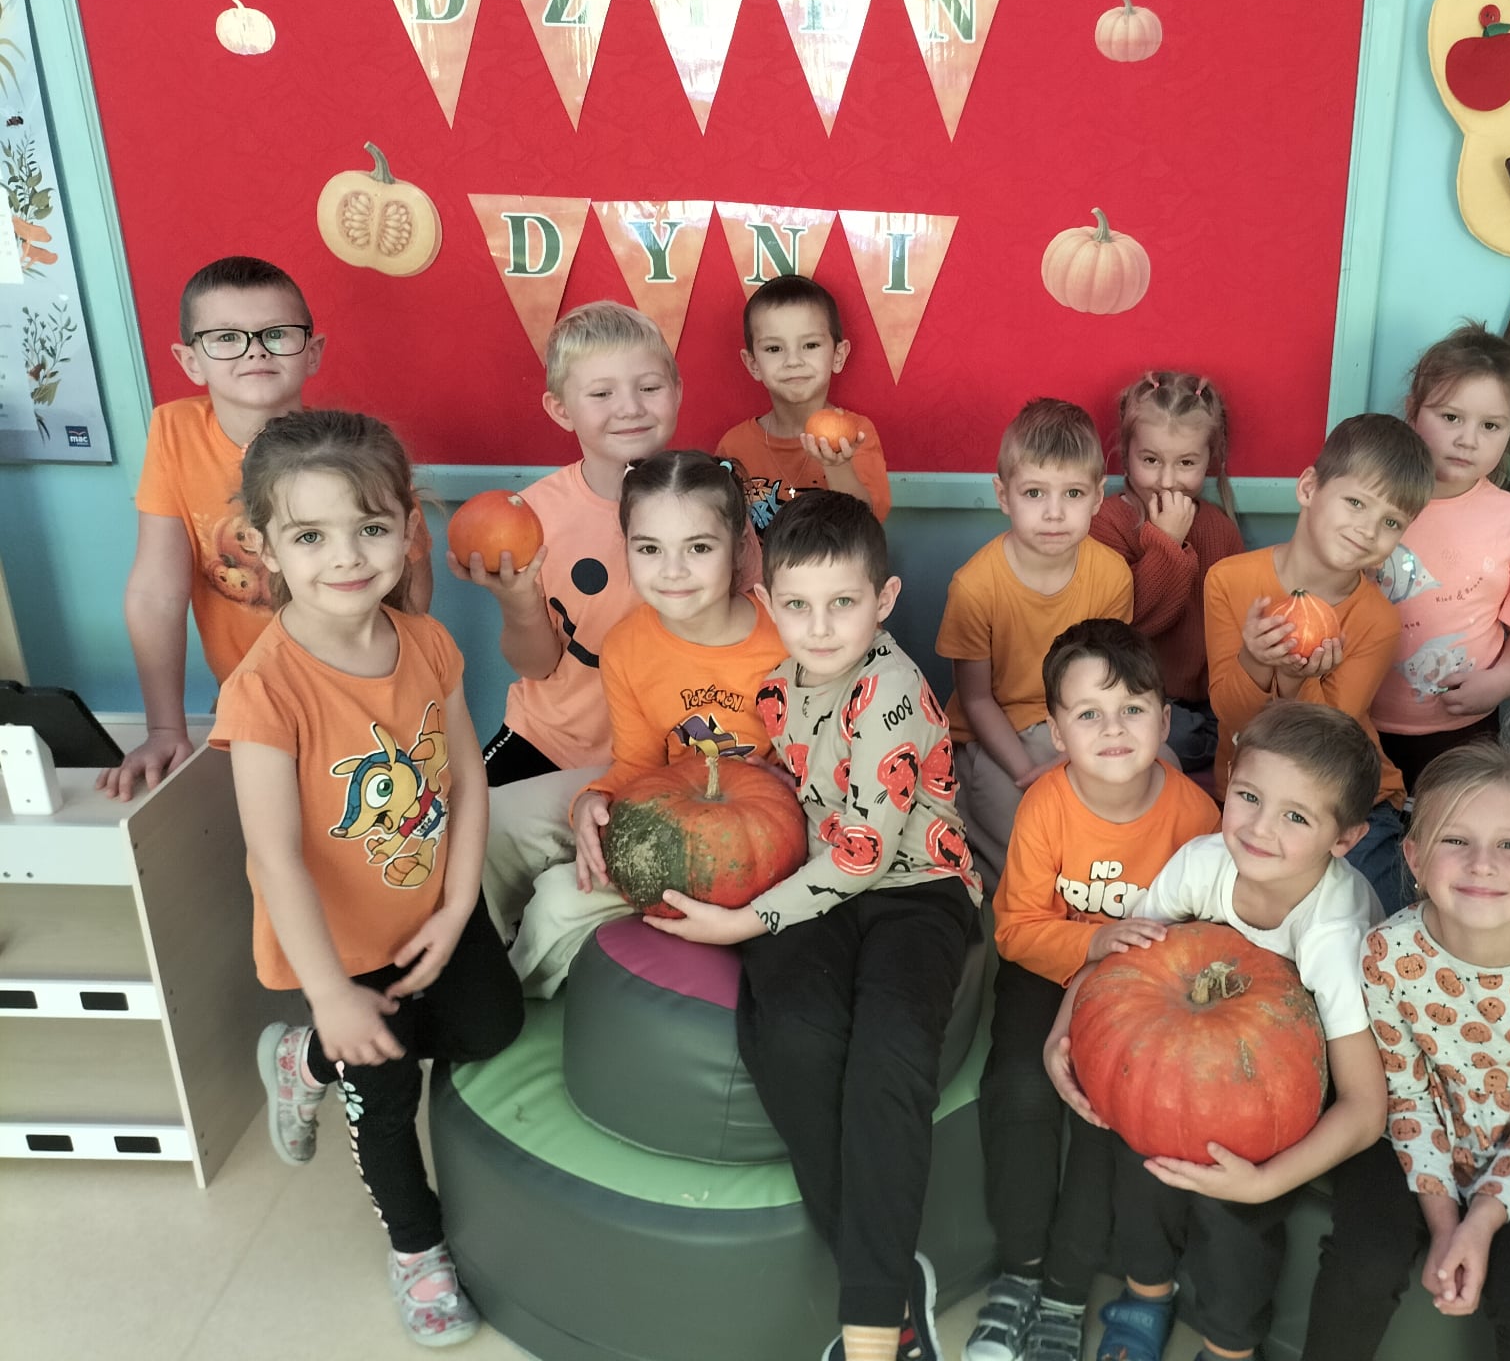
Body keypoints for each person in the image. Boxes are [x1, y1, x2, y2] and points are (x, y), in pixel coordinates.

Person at [646, 489, 982, 1361]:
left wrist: (743, 922)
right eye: (797, 605)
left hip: (916, 889)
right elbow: (792, 805)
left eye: (843, 603)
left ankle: (871, 1330)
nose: (820, 626)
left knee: (887, 1055)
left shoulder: (891, 692)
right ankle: (893, 1282)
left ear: (885, 600)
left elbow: (865, 855)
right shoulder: (776, 689)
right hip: (815, 880)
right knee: (792, 1036)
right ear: (767, 602)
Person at [215, 410, 520, 1346]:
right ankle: (416, 1252)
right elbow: (274, 858)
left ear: (409, 527)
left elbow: (465, 773)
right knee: (384, 1103)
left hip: (433, 907)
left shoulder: (424, 641)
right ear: (263, 545)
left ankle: (302, 1058)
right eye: (310, 536)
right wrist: (331, 997)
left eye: (372, 528)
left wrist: (459, 903)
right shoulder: (264, 690)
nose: (347, 557)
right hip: (342, 951)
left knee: (491, 1026)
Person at [1044, 702, 1389, 1361]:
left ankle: (1229, 1347)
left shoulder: (1333, 935)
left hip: (1287, 1078)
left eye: (1296, 817)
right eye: (1249, 797)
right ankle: (1146, 1294)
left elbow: (1365, 1108)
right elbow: (1122, 957)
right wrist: (1061, 1034)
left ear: (1344, 840)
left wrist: (1264, 1182)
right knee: (1137, 1154)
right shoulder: (1203, 863)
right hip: (1188, 1050)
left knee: (1238, 1218)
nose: (1259, 828)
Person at [967, 619, 1221, 1361]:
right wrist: (1093, 942)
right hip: (1047, 968)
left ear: (1165, 720)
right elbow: (1016, 929)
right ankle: (1019, 1271)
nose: (1113, 729)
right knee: (1018, 1088)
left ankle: (1065, 1290)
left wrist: (1118, 964)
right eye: (1088, 714)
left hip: (1137, 997)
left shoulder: (1194, 818)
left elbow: (1199, 940)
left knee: (1101, 1114)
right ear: (1056, 732)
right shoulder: (1046, 805)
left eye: (1132, 709)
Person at [1304, 743, 1510, 1361]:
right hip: (1407, 1133)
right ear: (1414, 857)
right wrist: (1446, 1226)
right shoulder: (1386, 954)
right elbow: (1406, 1096)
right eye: (1455, 840)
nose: (1482, 864)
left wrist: (1481, 1222)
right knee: (1363, 1260)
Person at [99, 256, 431, 799]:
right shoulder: (175, 431)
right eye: (226, 338)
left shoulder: (350, 452)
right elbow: (156, 591)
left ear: (312, 352)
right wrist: (164, 728)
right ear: (191, 360)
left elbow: (410, 590)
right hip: (251, 702)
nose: (255, 350)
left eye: (277, 334)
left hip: (357, 700)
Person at [505, 451, 786, 997]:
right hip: (668, 816)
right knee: (525, 860)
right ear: (627, 547)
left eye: (699, 548)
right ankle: (468, 976)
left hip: (762, 843)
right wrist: (593, 798)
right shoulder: (628, 646)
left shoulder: (784, 635)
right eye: (650, 548)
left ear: (738, 547)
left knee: (562, 900)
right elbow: (637, 765)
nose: (672, 571)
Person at [1203, 412, 1433, 912]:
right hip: (1252, 797)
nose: (1368, 530)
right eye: (1356, 502)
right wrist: (1253, 659)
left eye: (1391, 522)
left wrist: (1292, 677)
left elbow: (1329, 745)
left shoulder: (1376, 620)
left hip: (1346, 803)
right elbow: (1232, 715)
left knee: (1379, 918)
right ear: (1309, 488)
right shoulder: (1228, 581)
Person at [451, 300, 682, 788]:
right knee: (467, 823)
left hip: (671, 754)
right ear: (561, 410)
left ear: (677, 391)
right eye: (601, 393)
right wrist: (516, 601)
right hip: (550, 740)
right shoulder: (530, 518)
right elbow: (537, 666)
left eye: (649, 387)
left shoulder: (714, 504)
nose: (630, 407)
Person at [938, 397, 1136, 880]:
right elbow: (977, 700)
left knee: (1157, 769)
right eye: (1034, 493)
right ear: (1003, 495)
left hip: (1080, 723)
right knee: (1018, 825)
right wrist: (1026, 771)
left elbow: (1110, 682)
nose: (1053, 513)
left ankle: (1101, 883)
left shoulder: (1111, 574)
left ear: (1097, 497)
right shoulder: (975, 586)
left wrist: (1075, 755)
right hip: (997, 738)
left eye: (1073, 493)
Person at [1370, 323, 1510, 787]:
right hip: (1353, 713)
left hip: (1461, 727)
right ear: (1413, 411)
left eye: (1490, 426)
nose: (1468, 439)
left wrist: (1499, 683)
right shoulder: (1369, 501)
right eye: (1450, 417)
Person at [1087, 371, 1245, 775]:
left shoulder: (1220, 530)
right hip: (1132, 697)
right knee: (1175, 738)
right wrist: (1167, 543)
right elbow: (1133, 621)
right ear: (1126, 454)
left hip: (1205, 703)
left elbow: (1231, 630)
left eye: (1187, 463)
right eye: (1151, 460)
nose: (1168, 480)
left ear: (1210, 460)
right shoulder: (1108, 523)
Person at [717, 273, 890, 522]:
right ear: (753, 364)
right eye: (774, 348)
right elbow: (722, 526)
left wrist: (838, 465)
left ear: (838, 356)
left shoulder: (856, 434)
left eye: (810, 345)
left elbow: (867, 522)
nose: (793, 361)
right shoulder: (734, 446)